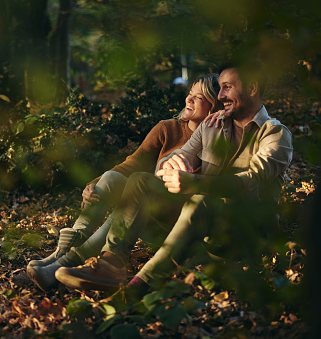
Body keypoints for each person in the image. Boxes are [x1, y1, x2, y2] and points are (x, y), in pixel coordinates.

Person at [54, 61, 293, 293]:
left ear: (252, 88)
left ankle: (140, 285)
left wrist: (194, 183)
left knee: (199, 200)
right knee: (140, 181)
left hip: (244, 234)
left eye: (227, 87)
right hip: (198, 227)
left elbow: (250, 183)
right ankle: (110, 265)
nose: (220, 96)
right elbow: (180, 154)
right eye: (219, 88)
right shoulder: (211, 125)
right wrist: (172, 164)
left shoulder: (275, 133)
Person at [27, 74, 224, 291]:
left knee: (131, 197)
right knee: (113, 178)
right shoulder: (168, 128)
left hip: (173, 223)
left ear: (215, 106)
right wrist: (94, 183)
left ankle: (62, 264)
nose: (189, 100)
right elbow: (133, 163)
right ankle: (63, 254)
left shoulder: (219, 139)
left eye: (199, 98)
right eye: (189, 94)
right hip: (144, 211)